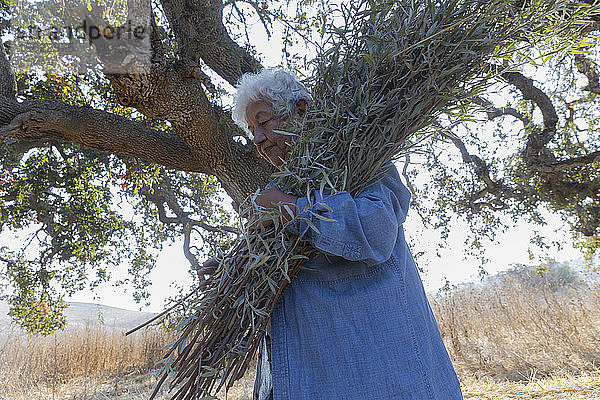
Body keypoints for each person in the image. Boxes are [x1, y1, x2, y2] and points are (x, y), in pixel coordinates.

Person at [210, 67, 464, 399]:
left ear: (300, 110)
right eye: (251, 129)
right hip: (306, 377)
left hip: (381, 377)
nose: (257, 139)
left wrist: (291, 209)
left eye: (264, 121)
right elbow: (275, 277)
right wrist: (235, 272)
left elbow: (375, 230)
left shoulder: (363, 166)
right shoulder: (277, 190)